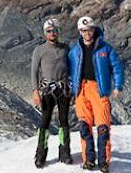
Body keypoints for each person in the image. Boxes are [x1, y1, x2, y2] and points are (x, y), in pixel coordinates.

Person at [69, 16, 124, 173]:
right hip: (81, 91)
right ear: (80, 32)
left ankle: (103, 161)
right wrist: (71, 89)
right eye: (84, 30)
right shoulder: (74, 51)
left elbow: (117, 67)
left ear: (94, 30)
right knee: (84, 127)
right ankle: (89, 160)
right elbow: (69, 72)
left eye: (90, 29)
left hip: (99, 90)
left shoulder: (105, 49)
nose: (87, 33)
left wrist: (118, 86)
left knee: (102, 128)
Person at [30, 17, 72, 168]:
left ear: (58, 32)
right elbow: (34, 72)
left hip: (63, 88)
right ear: (45, 33)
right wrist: (35, 92)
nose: (52, 33)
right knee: (45, 122)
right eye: (49, 31)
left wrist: (71, 86)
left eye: (54, 31)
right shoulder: (39, 50)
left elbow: (71, 68)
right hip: (47, 90)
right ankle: (40, 155)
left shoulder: (66, 48)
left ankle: (65, 153)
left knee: (64, 121)